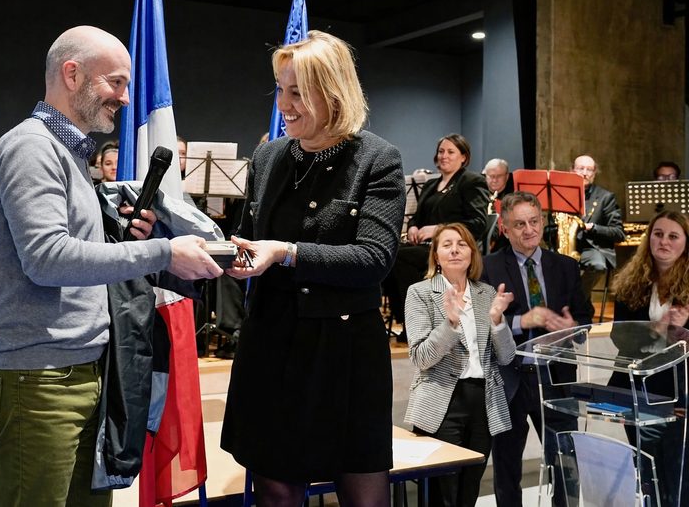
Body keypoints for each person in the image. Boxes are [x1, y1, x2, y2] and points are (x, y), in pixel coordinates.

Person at [0, 25, 222, 507]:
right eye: (116, 82)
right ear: (72, 74)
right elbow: (47, 260)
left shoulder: (66, 151)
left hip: (82, 372)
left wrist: (123, 239)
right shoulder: (32, 148)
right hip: (39, 382)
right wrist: (165, 252)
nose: (125, 98)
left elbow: (67, 252)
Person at [220, 30, 405, 507]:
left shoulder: (376, 159)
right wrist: (208, 249)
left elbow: (374, 260)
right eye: (281, 89)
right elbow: (247, 242)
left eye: (298, 91)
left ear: (334, 91)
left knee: (362, 492)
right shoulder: (267, 156)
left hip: (343, 355)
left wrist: (286, 252)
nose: (284, 103)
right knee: (276, 490)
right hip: (271, 344)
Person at [480, 191, 593, 507]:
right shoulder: (488, 268)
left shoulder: (567, 266)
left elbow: (584, 319)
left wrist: (574, 328)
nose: (528, 230)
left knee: (566, 463)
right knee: (506, 468)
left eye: (534, 221)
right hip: (510, 380)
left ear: (543, 222)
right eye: (519, 224)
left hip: (556, 379)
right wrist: (522, 320)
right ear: (504, 228)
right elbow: (479, 326)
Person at [404, 223, 516, 507]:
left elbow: (506, 357)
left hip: (483, 402)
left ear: (472, 254)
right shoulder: (419, 293)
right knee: (442, 494)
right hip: (442, 403)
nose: (455, 250)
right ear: (436, 256)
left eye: (462, 244)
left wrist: (497, 322)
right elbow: (421, 357)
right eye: (447, 245)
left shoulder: (486, 293)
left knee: (469, 490)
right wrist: (450, 323)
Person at [608, 210, 689, 507]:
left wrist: (683, 330)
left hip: (680, 391)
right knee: (646, 469)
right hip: (638, 389)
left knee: (678, 473)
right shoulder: (632, 281)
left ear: (685, 243)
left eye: (673, 236)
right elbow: (620, 337)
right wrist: (658, 329)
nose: (663, 242)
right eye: (658, 234)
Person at [388, 134, 490, 338]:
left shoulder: (471, 181)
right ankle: (409, 319)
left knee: (400, 258)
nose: (444, 156)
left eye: (451, 152)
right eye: (441, 151)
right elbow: (417, 218)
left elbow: (478, 224)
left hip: (455, 247)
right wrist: (414, 227)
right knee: (388, 253)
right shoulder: (430, 185)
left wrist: (439, 229)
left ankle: (413, 322)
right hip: (427, 246)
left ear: (463, 157)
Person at [571, 155, 625, 297]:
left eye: (589, 170)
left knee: (598, 265)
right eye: (580, 168)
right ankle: (583, 306)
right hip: (564, 247)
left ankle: (577, 299)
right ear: (571, 170)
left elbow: (618, 233)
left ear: (594, 174)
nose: (584, 173)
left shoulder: (605, 197)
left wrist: (593, 227)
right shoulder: (561, 194)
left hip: (592, 247)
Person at [482, 157, 514, 252]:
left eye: (499, 176)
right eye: (491, 176)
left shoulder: (513, 197)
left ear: (507, 176)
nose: (495, 180)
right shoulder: (478, 194)